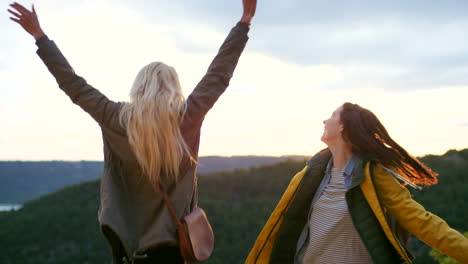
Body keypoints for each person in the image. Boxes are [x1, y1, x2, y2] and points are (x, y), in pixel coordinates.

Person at [8, 1, 256, 263]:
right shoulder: (187, 117)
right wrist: (245, 20)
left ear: (138, 88)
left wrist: (40, 37)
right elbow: (218, 75)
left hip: (128, 252)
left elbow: (73, 85)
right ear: (174, 89)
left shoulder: (114, 117)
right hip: (173, 252)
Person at [246, 103, 468, 263]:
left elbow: (423, 223)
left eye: (332, 115)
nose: (325, 120)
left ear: (343, 127)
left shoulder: (373, 177)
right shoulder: (308, 176)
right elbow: (275, 230)